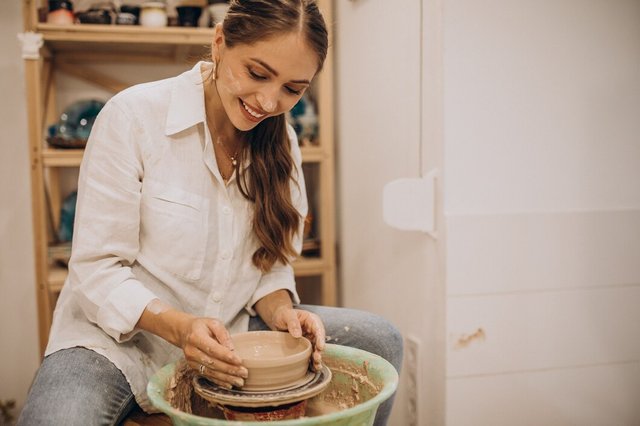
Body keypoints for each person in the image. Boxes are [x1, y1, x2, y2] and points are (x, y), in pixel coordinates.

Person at [18, 1, 402, 425]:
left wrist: (282, 313)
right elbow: (97, 272)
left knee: (382, 341)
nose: (269, 101)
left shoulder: (284, 143)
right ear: (219, 43)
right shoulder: (134, 117)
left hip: (228, 335)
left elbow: (270, 269)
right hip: (117, 343)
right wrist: (182, 329)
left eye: (293, 89)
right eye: (257, 73)